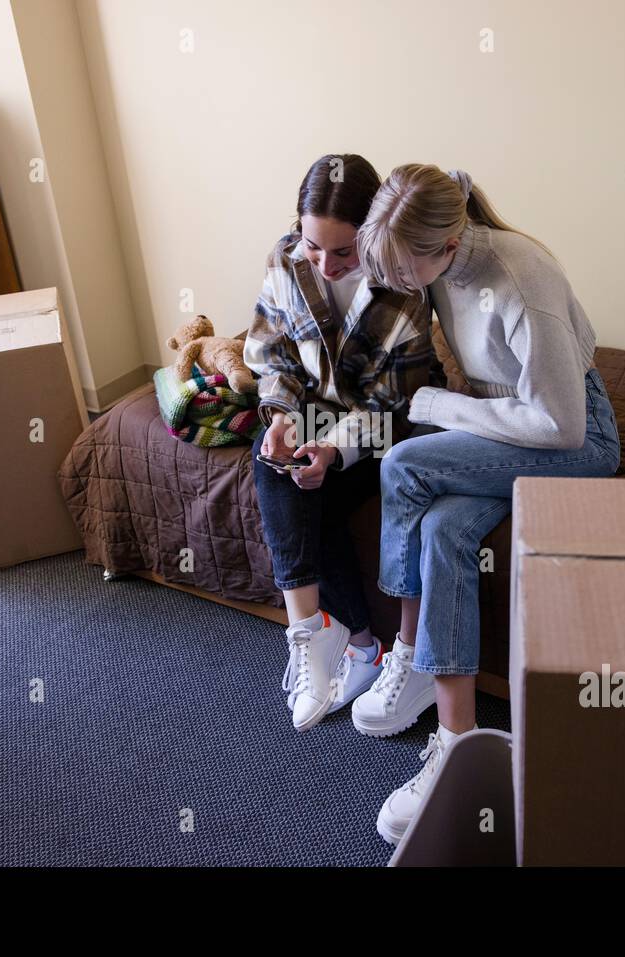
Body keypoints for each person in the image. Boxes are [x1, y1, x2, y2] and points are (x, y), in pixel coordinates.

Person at [354, 163, 621, 844]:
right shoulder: (438, 257)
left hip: (577, 440)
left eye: (404, 271)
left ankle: (408, 649)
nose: (398, 284)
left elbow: (562, 427)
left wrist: (445, 407)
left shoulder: (521, 281)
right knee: (444, 528)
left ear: (446, 247)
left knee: (407, 460)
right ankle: (455, 739)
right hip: (509, 424)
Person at [244, 154, 441, 732]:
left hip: (381, 423)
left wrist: (333, 450)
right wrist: (281, 417)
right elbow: (270, 355)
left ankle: (348, 643)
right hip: (311, 409)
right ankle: (320, 635)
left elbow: (393, 410)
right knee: (272, 458)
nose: (325, 264)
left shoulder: (403, 295)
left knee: (318, 485)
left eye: (343, 251)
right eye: (313, 246)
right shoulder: (285, 260)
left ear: (371, 237)